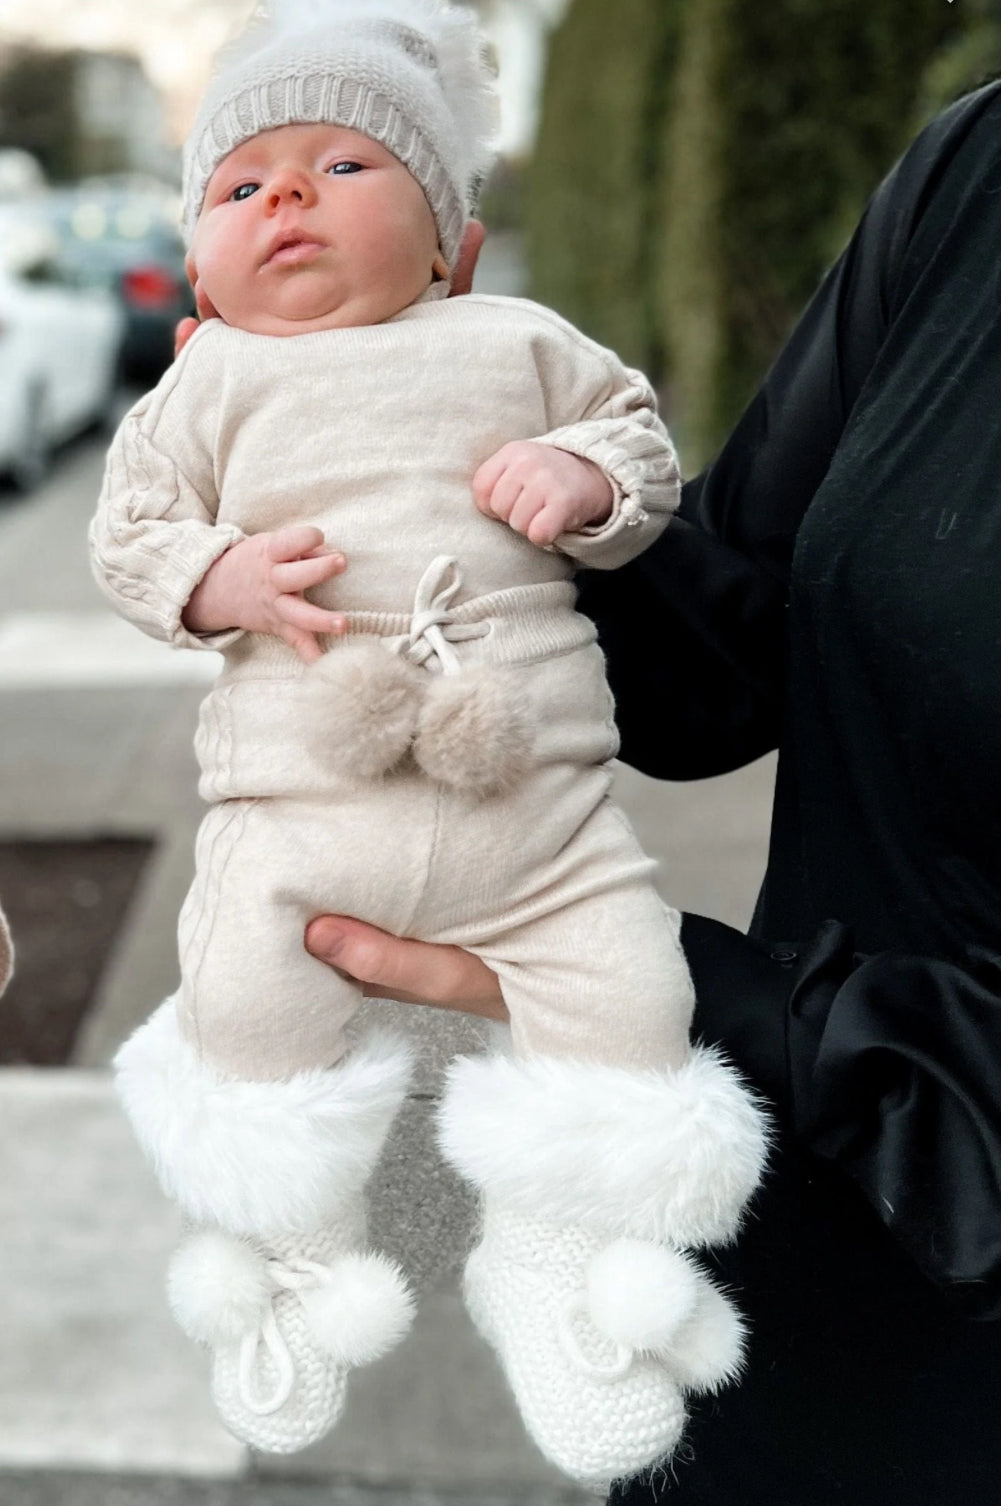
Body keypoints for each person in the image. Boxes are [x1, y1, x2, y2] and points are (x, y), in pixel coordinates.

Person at [91, 0, 766, 1488]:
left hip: (540, 828)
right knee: (246, 1007)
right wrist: (214, 579)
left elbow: (638, 439)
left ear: (453, 240)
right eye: (239, 183)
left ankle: (555, 1258)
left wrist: (577, 473)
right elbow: (127, 530)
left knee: (631, 993)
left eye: (341, 166)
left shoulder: (518, 339)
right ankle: (296, 1256)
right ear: (196, 257)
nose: (284, 197)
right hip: (299, 816)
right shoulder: (207, 380)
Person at [305, 76, 1001, 1505]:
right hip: (757, 1303)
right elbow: (723, 665)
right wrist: (463, 442)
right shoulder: (972, 172)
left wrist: (642, 977)